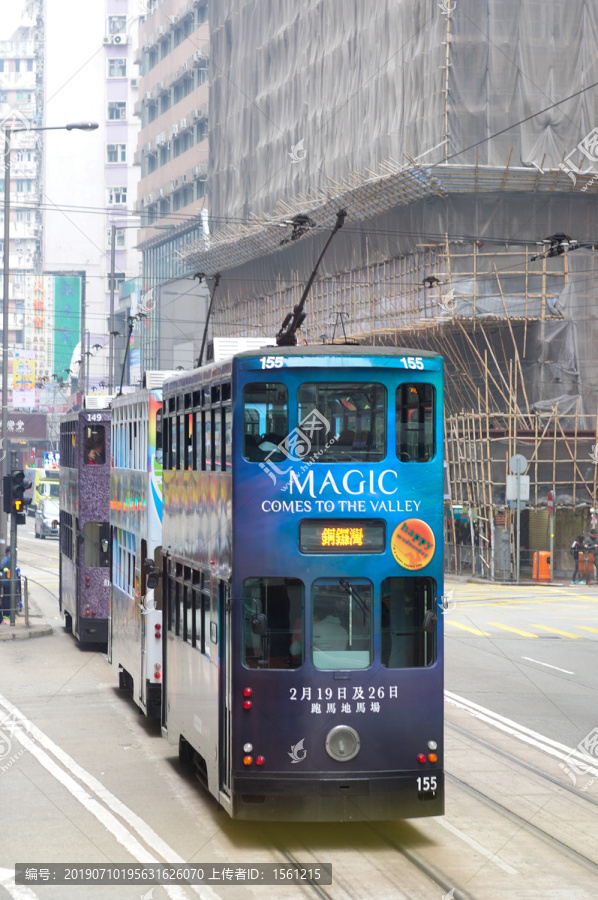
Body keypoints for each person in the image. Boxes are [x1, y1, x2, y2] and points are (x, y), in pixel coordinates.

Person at [1, 546, 10, 620]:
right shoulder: (8, 559)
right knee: (7, 597)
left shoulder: (5, 558)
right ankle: (6, 614)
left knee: (6, 597)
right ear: (9, 552)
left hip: (6, 581)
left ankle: (6, 613)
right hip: (8, 582)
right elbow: (1, 567)